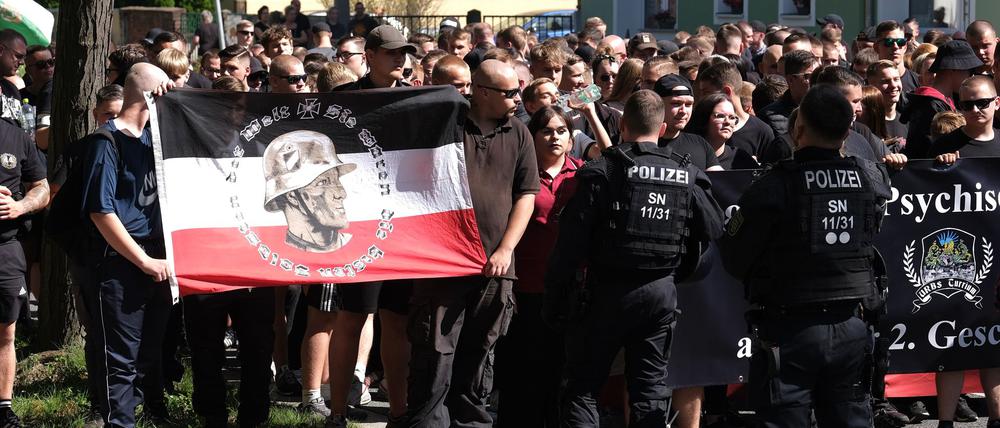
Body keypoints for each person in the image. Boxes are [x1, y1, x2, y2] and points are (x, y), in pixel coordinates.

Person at [545, 89, 723, 427]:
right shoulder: (685, 173)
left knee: (583, 388)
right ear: (662, 127)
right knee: (649, 390)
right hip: (660, 294)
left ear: (623, 125)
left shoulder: (604, 171)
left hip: (605, 294)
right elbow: (714, 228)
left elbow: (569, 247)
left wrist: (554, 301)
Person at [720, 83, 892, 428]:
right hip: (851, 321)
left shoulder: (773, 184)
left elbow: (735, 255)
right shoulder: (870, 177)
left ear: (798, 129)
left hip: (790, 327)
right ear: (848, 132)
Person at [403, 59, 537, 428]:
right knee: (433, 355)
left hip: (495, 269)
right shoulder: (446, 125)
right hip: (443, 265)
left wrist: (505, 249)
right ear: (482, 92)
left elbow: (526, 195)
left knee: (479, 358)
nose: (517, 99)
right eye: (509, 93)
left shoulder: (519, 133)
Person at [78, 62, 173, 428]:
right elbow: (101, 212)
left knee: (149, 353)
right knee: (120, 360)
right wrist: (143, 261)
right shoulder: (106, 141)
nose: (171, 94)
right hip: (120, 263)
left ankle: (146, 414)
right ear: (150, 93)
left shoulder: (155, 138)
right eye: (165, 88)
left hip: (158, 258)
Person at [494, 106, 582, 428]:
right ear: (531, 137)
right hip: (525, 288)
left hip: (569, 290)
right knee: (522, 376)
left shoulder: (584, 174)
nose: (554, 137)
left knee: (561, 375)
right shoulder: (518, 174)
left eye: (561, 131)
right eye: (546, 130)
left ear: (571, 139)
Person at [902, 40, 983, 158]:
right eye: (970, 71)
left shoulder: (937, 101)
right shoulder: (931, 106)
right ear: (954, 69)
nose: (972, 76)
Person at [698, 61, 774, 158]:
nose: (701, 99)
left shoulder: (762, 132)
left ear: (726, 92)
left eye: (706, 92)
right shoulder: (698, 126)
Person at [653, 74, 724, 171]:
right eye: (676, 103)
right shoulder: (640, 143)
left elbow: (719, 178)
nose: (683, 111)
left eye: (688, 104)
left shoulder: (700, 144)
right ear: (658, 104)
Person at [688, 93, 759, 169]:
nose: (727, 122)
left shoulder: (740, 158)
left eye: (732, 117)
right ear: (704, 119)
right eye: (720, 116)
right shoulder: (688, 156)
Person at [760, 49, 819, 136]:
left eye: (818, 75)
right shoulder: (770, 117)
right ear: (790, 79)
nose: (815, 80)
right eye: (808, 76)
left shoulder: (828, 110)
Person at [336, 25, 414, 90]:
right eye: (391, 52)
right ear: (370, 56)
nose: (399, 59)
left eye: (403, 53)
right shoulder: (346, 96)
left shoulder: (411, 96)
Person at [874, 21, 920, 93]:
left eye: (900, 42)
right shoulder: (866, 85)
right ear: (876, 47)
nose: (895, 46)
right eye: (889, 41)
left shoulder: (919, 83)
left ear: (905, 47)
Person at [867, 60, 908, 141]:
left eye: (896, 79)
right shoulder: (866, 124)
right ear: (871, 85)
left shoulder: (907, 121)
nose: (893, 85)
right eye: (885, 81)